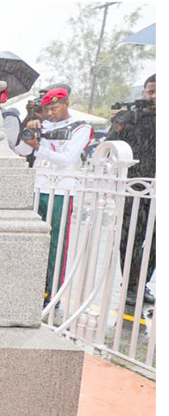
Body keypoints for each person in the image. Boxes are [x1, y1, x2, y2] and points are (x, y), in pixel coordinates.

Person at [14, 86, 93, 306]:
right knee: (31, 238)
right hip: (38, 187)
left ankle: (51, 290)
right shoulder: (43, 124)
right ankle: (30, 284)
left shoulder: (81, 127)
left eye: (55, 107)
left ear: (66, 103)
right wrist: (28, 129)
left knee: (56, 242)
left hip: (60, 191)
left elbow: (67, 159)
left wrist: (40, 146)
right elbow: (22, 151)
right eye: (47, 109)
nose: (50, 113)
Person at [106, 74, 156, 306]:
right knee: (130, 238)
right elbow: (109, 147)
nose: (151, 97)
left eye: (156, 92)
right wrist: (117, 125)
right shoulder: (132, 117)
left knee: (156, 241)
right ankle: (129, 285)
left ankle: (141, 283)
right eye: (149, 92)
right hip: (133, 187)